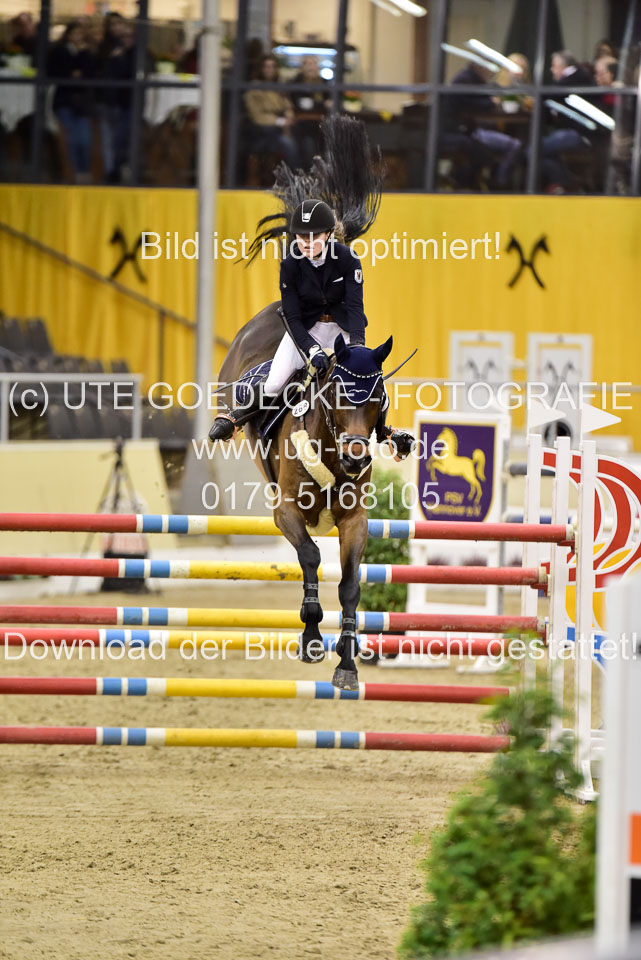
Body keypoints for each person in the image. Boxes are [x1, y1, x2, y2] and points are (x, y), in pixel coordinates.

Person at [208, 199, 366, 441]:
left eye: (314, 237)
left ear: (328, 234)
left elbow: (355, 307)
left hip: (340, 329)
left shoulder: (348, 259)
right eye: (302, 237)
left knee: (364, 376)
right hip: (307, 329)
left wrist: (357, 346)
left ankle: (387, 432)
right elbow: (292, 316)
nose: (307, 243)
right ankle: (235, 418)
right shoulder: (291, 265)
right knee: (274, 383)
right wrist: (312, 349)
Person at [441, 60, 522, 190]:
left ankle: (462, 181)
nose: (490, 71)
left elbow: (480, 98)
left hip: (467, 129)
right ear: (479, 66)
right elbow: (470, 103)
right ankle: (494, 185)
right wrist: (492, 103)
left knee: (485, 151)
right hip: (461, 130)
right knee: (486, 151)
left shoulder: (473, 79)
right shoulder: (466, 79)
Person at [47, 21, 96, 180]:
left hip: (82, 103)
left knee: (85, 140)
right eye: (75, 33)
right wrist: (71, 73)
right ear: (68, 35)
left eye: (80, 34)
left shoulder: (87, 53)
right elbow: (57, 72)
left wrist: (82, 54)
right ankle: (73, 173)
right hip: (65, 101)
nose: (77, 37)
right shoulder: (59, 51)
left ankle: (84, 172)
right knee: (71, 140)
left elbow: (88, 73)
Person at [243, 55, 300, 169]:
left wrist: (288, 116)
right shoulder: (254, 89)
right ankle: (294, 175)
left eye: (273, 66)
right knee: (288, 144)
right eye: (267, 66)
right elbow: (256, 116)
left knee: (303, 136)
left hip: (282, 129)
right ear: (261, 68)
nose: (270, 70)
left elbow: (287, 106)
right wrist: (281, 121)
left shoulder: (279, 87)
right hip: (262, 132)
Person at [290, 56, 329, 168]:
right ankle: (309, 173)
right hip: (303, 125)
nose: (311, 67)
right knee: (308, 146)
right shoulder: (296, 83)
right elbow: (302, 104)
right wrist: (322, 104)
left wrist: (317, 104)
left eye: (313, 64)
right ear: (302, 67)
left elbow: (331, 101)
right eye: (308, 64)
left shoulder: (324, 83)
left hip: (322, 125)